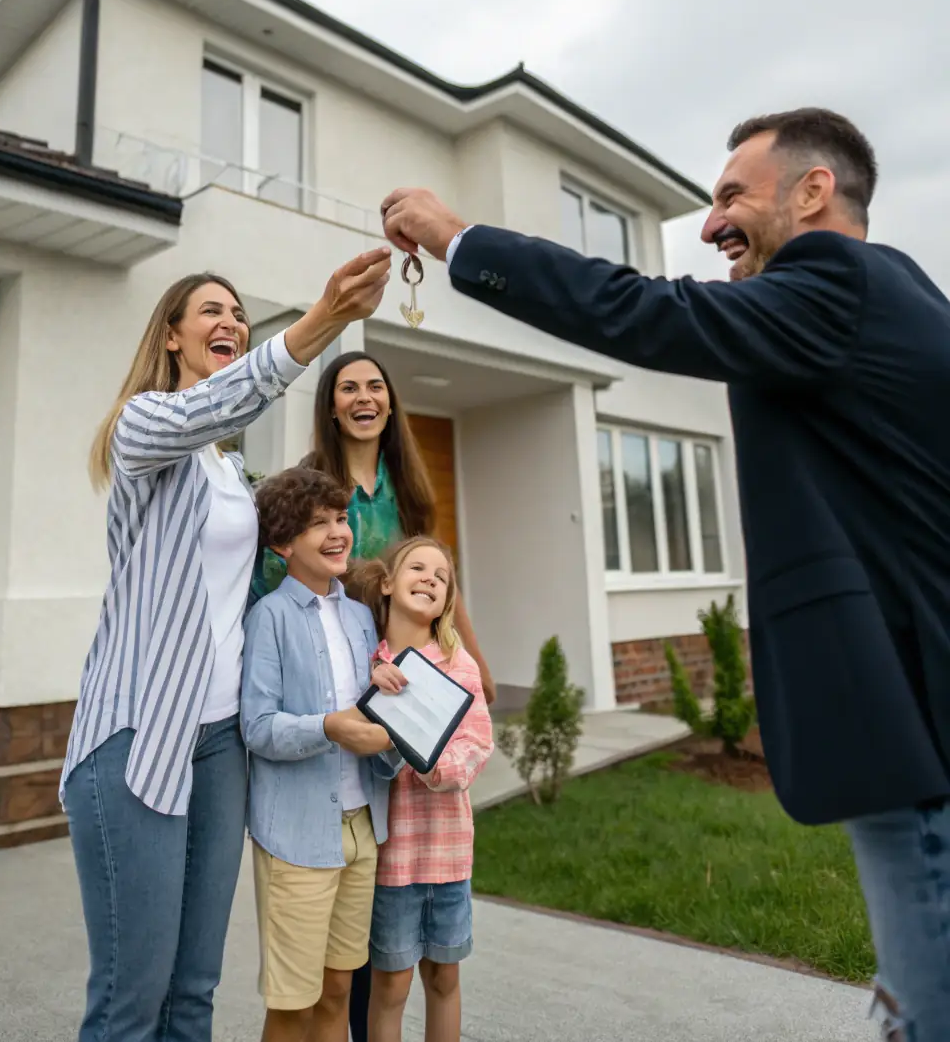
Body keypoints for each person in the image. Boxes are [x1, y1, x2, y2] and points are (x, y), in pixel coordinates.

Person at [380, 108, 950, 1042]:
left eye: (733, 195)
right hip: (916, 706)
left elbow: (640, 309)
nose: (713, 221)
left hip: (916, 720)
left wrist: (456, 239)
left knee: (926, 1006)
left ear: (814, 191)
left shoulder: (833, 284)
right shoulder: (898, 297)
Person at [60, 248, 391, 1042]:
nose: (231, 322)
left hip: (218, 745)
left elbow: (305, 539)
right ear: (171, 335)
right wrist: (323, 322)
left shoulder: (229, 470)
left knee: (194, 991)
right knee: (131, 998)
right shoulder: (147, 425)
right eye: (211, 310)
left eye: (238, 314)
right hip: (138, 732)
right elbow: (212, 406)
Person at [250, 349, 496, 1042]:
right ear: (331, 403)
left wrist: (469, 654)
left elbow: (440, 569)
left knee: (362, 938)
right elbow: (276, 586)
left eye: (375, 386)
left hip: (398, 681)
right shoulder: (315, 486)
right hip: (347, 680)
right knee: (345, 951)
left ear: (389, 401)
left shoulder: (405, 486)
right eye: (349, 387)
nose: (364, 397)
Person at [241, 466, 402, 1042]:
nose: (338, 533)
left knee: (338, 990)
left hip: (363, 828)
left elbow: (371, 717)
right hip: (298, 835)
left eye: (341, 519)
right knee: (292, 1004)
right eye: (318, 525)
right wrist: (330, 727)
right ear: (284, 545)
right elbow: (258, 728)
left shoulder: (361, 617)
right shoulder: (270, 619)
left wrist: (398, 730)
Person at [348, 537, 493, 1042]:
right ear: (388, 582)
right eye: (417, 567)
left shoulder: (459, 666)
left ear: (447, 600)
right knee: (389, 987)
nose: (430, 577)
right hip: (394, 861)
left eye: (442, 576)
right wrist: (372, 688)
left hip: (449, 854)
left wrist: (434, 765)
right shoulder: (365, 664)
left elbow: (477, 744)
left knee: (444, 978)